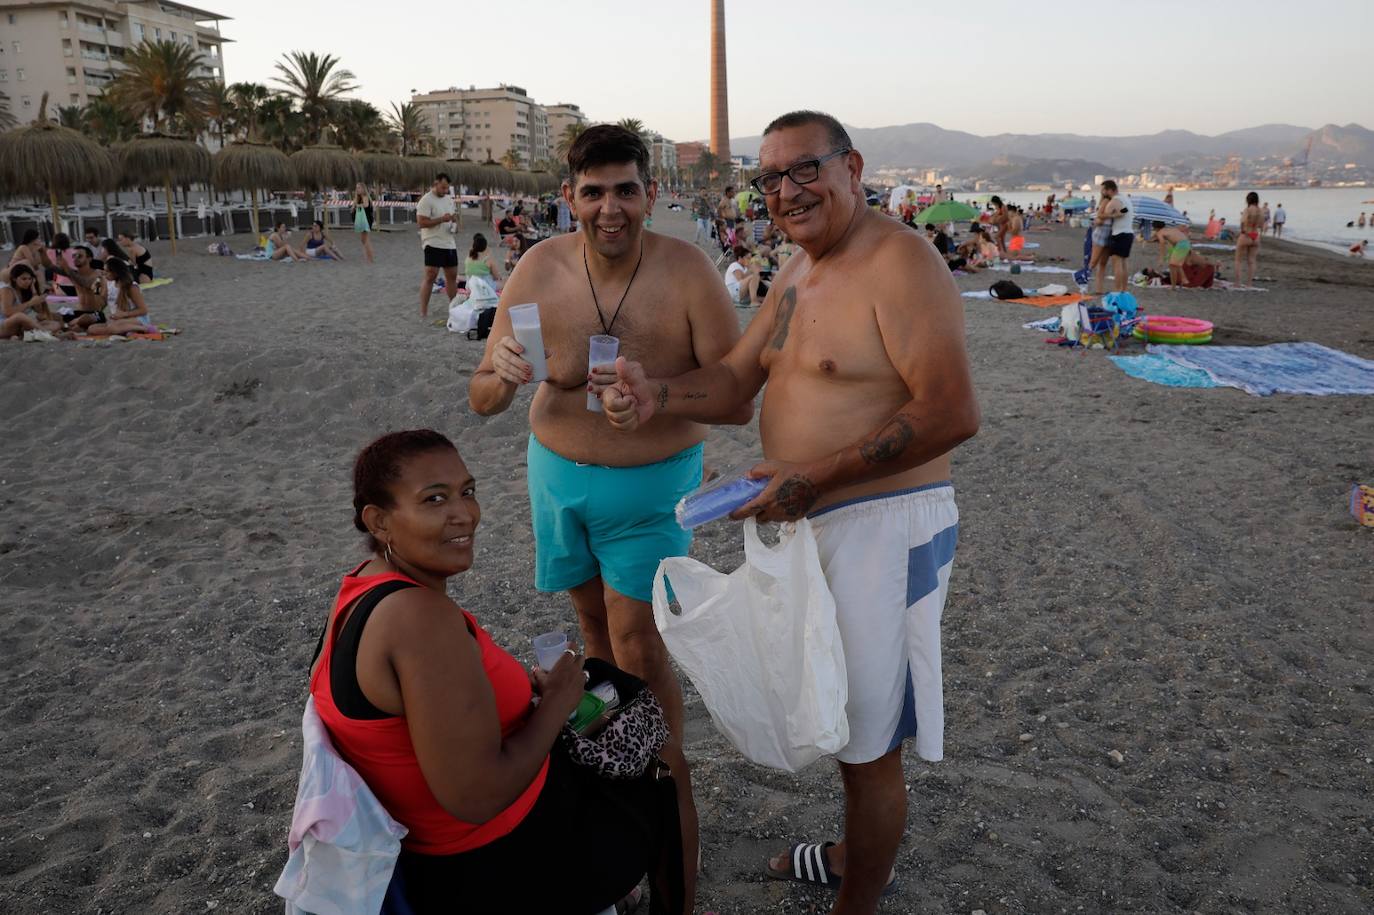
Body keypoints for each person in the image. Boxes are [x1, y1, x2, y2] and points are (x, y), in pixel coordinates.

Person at [596, 110, 979, 915]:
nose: (787, 191)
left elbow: (949, 411)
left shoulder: (899, 262)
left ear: (853, 167)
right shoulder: (797, 273)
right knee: (835, 710)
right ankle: (847, 854)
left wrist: (817, 475)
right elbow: (735, 384)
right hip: (810, 520)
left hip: (883, 528)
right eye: (770, 178)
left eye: (805, 169)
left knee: (871, 742)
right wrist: (655, 392)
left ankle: (856, 900)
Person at [468, 125, 749, 912]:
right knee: (593, 637)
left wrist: (656, 392)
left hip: (652, 490)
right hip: (556, 479)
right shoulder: (537, 268)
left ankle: (663, 781)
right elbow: (482, 397)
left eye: (626, 189)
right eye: (593, 192)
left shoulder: (688, 272)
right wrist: (498, 373)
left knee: (635, 640)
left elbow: (735, 394)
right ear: (569, 198)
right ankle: (616, 775)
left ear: (649, 194)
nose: (610, 207)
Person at [310, 429, 684, 915]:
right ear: (379, 520)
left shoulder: (362, 588)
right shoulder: (420, 620)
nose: (463, 513)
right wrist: (556, 703)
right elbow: (476, 797)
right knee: (668, 772)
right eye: (434, 499)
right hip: (497, 860)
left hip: (436, 842)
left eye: (467, 492)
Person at [417, 173, 459, 318]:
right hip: (432, 242)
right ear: (436, 183)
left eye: (447, 188)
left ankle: (454, 308)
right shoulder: (426, 200)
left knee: (452, 276)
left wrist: (454, 222)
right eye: (442, 187)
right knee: (430, 276)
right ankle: (423, 311)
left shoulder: (449, 199)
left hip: (449, 242)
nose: (445, 190)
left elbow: (453, 217)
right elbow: (421, 222)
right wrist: (441, 219)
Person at [84, 259, 156, 337]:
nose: (104, 274)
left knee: (112, 327)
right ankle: (129, 331)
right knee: (91, 329)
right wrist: (96, 291)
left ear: (116, 272)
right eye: (104, 270)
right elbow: (100, 306)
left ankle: (145, 329)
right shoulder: (110, 284)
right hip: (119, 320)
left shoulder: (131, 286)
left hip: (138, 319)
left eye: (107, 271)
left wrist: (124, 314)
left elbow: (143, 310)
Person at [1, 264, 61, 338]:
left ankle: (30, 333)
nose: (27, 281)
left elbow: (39, 311)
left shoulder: (26, 290)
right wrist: (30, 303)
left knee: (55, 324)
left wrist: (33, 289)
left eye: (30, 279)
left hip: (19, 327)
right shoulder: (7, 290)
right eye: (24, 279)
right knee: (20, 316)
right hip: (3, 325)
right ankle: (47, 334)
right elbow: (7, 312)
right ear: (14, 279)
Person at [1101, 180, 1133, 293]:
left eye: (1104, 189)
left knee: (1117, 263)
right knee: (1123, 263)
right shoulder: (1125, 199)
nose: (1103, 192)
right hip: (1128, 233)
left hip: (1120, 233)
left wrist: (1111, 215)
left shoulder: (1115, 200)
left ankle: (1117, 289)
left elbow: (1104, 215)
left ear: (1110, 190)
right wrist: (1118, 213)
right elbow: (1126, 210)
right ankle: (1123, 289)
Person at [1151, 221, 1194, 287]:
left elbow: (1162, 243)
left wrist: (1161, 258)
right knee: (1176, 264)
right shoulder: (1170, 229)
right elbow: (1174, 241)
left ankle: (1174, 286)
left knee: (1172, 265)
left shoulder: (1160, 232)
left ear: (1155, 228)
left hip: (1181, 245)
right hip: (1186, 243)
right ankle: (1183, 279)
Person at [1235, 191, 1263, 287]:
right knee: (1252, 261)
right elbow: (1261, 225)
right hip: (1255, 235)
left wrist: (1243, 231)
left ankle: (1238, 283)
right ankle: (1249, 284)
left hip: (1246, 235)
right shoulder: (1260, 211)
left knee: (1238, 260)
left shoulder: (1247, 210)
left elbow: (1242, 223)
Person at [353, 183, 376, 264]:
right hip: (361, 219)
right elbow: (355, 206)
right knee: (363, 240)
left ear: (363, 189)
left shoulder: (365, 196)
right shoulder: (358, 197)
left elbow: (366, 205)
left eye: (359, 188)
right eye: (357, 188)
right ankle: (368, 257)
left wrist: (357, 205)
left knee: (365, 239)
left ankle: (370, 258)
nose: (357, 189)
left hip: (366, 220)